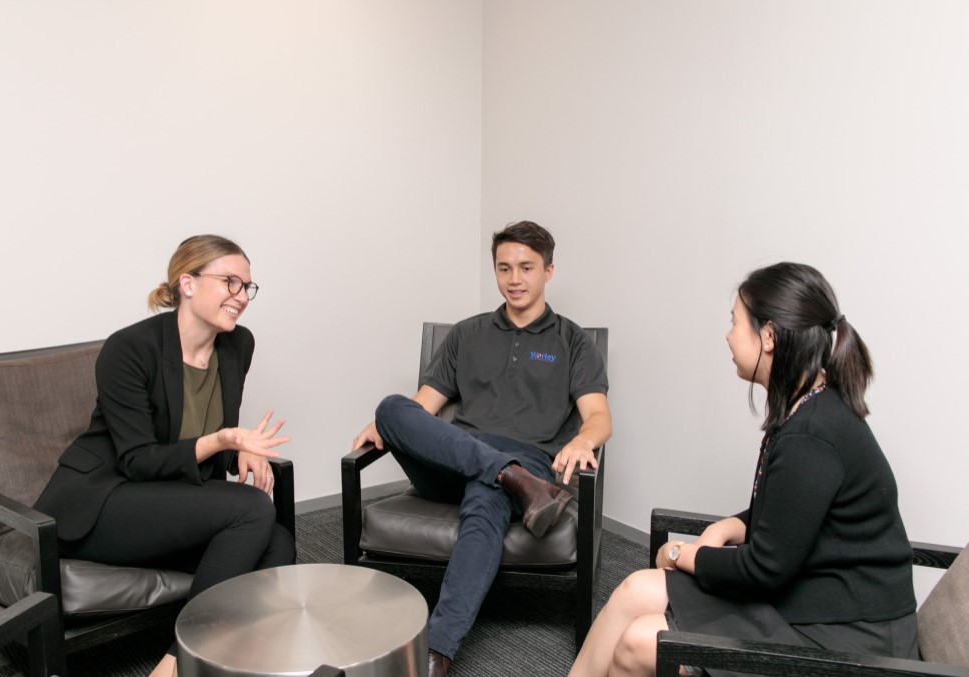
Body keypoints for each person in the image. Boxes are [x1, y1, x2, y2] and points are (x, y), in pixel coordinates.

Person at [570, 262, 918, 677]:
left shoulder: (812, 434)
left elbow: (765, 569)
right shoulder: (810, 402)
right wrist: (730, 528)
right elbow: (789, 516)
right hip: (813, 596)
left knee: (639, 642)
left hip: (851, 637)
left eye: (734, 322)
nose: (728, 335)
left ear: (768, 337)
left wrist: (683, 553)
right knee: (632, 591)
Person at [352, 221, 612, 677]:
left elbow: (598, 417)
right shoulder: (466, 334)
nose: (514, 279)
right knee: (389, 407)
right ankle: (513, 478)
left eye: (527, 268)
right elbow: (421, 408)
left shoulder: (573, 341)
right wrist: (388, 426)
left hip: (530, 457)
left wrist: (583, 440)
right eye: (504, 268)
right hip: (457, 458)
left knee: (487, 494)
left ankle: (437, 653)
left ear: (549, 271)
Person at [34, 235, 295, 677]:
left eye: (247, 287)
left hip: (166, 502)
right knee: (253, 507)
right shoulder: (130, 348)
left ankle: (233, 659)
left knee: (278, 544)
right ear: (187, 283)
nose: (240, 297)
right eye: (230, 282)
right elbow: (138, 458)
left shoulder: (237, 345)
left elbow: (206, 427)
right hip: (104, 500)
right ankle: (179, 661)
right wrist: (225, 441)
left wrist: (244, 453)